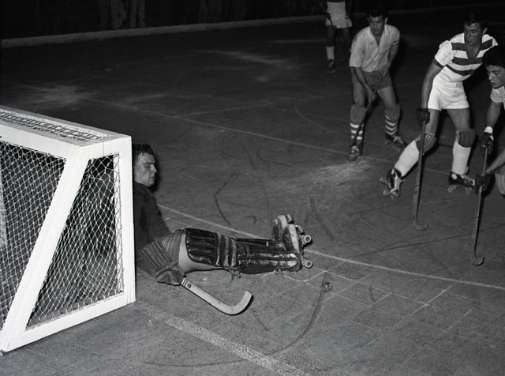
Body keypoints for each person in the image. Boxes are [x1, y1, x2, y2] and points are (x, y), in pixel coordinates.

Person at [132, 144, 311, 286]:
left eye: (154, 165)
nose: (154, 170)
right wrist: (163, 265)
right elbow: (134, 234)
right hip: (166, 253)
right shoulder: (134, 193)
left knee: (228, 245)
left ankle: (277, 246)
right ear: (129, 168)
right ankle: (287, 258)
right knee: (231, 254)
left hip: (171, 245)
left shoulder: (137, 192)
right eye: (147, 165)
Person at [382, 11, 498, 197]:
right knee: (428, 139)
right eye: (466, 30)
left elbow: (498, 68)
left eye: (473, 31)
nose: (468, 36)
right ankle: (394, 174)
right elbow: (429, 77)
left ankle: (457, 174)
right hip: (437, 85)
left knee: (467, 135)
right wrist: (423, 107)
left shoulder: (490, 44)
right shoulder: (451, 46)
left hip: (456, 87)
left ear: (484, 31)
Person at [348, 3, 404, 162]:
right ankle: (355, 144)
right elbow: (355, 67)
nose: (375, 26)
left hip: (381, 72)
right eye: (371, 22)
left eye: (378, 22)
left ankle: (391, 134)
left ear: (385, 21)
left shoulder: (393, 32)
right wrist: (367, 88)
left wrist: (389, 64)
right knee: (359, 106)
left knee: (393, 106)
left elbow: (395, 45)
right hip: (361, 73)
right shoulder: (361, 38)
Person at [476, 45, 505, 194]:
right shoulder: (500, 85)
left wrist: (488, 172)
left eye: (496, 72)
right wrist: (488, 131)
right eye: (488, 72)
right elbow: (495, 104)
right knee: (501, 172)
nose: (490, 77)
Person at [323, 1, 354, 72]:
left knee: (347, 37)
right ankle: (331, 60)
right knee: (330, 37)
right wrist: (325, 11)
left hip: (342, 9)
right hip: (330, 9)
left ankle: (350, 56)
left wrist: (349, 11)